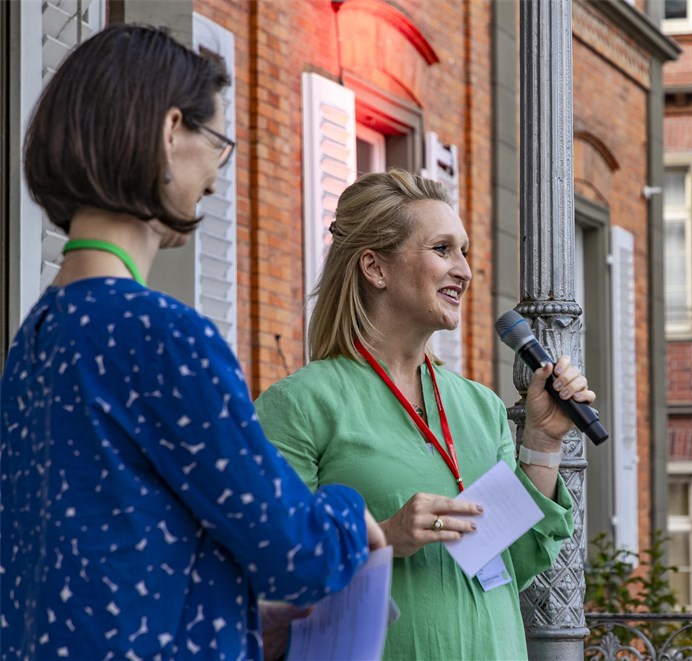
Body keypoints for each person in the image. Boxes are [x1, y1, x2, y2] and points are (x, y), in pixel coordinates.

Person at [0, 24, 385, 660]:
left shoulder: (38, 337)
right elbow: (295, 551)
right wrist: (348, 515)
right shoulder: (163, 335)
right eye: (218, 142)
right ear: (169, 131)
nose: (215, 172)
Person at [254, 169, 597, 660]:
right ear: (375, 268)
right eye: (442, 250)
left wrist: (542, 440)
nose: (464, 270)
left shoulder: (480, 407)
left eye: (465, 252)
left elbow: (512, 562)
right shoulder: (299, 405)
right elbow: (269, 574)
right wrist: (385, 538)